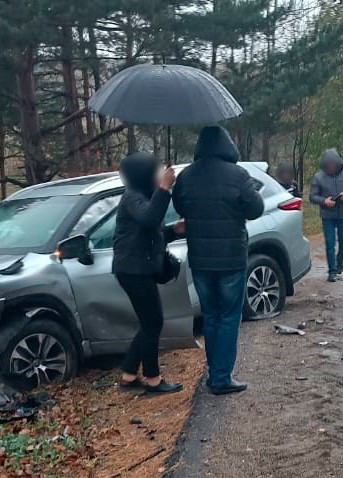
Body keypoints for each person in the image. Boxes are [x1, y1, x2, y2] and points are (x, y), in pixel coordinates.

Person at [173, 126, 265, 395]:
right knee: (228, 317)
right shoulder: (237, 175)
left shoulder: (187, 175)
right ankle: (222, 378)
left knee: (211, 316)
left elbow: (180, 207)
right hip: (231, 259)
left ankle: (215, 373)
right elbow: (256, 208)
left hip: (200, 259)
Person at [112, 152, 182, 394]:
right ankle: (153, 379)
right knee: (153, 323)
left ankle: (129, 375)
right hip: (133, 271)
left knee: (148, 323)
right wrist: (164, 188)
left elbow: (151, 234)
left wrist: (175, 231)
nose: (160, 173)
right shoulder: (133, 197)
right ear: (144, 174)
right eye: (156, 171)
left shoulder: (142, 196)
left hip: (136, 269)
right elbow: (149, 219)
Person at [309, 149, 343, 282]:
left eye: (333, 164)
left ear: (338, 163)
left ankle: (339, 261)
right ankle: (332, 271)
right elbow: (312, 196)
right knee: (330, 244)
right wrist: (324, 201)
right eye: (328, 165)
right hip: (328, 215)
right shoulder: (318, 177)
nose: (331, 167)